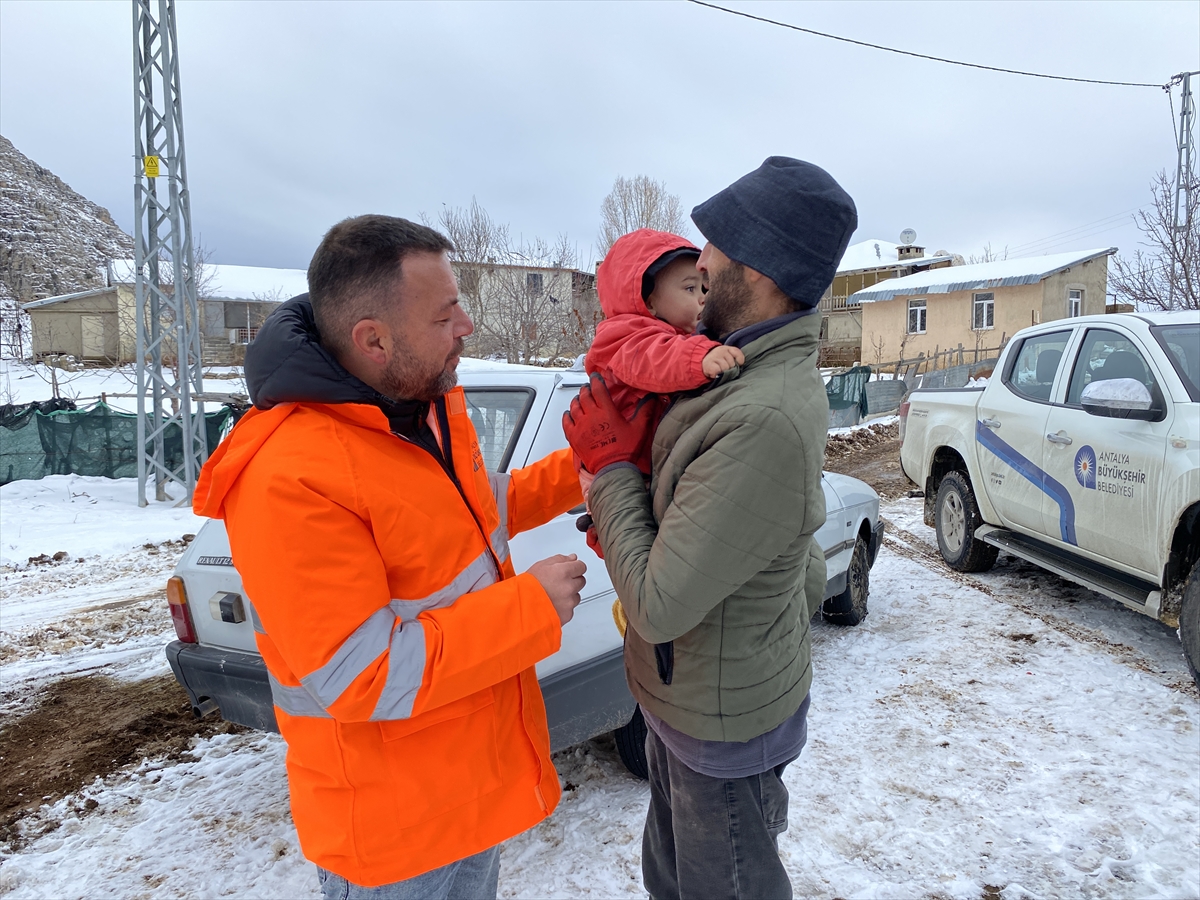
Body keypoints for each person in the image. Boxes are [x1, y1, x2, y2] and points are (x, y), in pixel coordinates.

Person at [192, 215, 587, 900]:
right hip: (397, 839)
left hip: (467, 795)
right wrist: (531, 606)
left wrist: (584, 466)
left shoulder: (417, 409)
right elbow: (363, 675)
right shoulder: (291, 473)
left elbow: (474, 514)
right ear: (373, 340)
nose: (466, 326)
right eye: (444, 315)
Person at [564, 157, 857, 900]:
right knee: (672, 879)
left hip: (719, 728)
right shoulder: (737, 376)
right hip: (695, 697)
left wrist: (611, 471)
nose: (701, 264)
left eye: (714, 250)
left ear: (758, 269)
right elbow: (793, 552)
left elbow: (659, 604)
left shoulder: (759, 412)